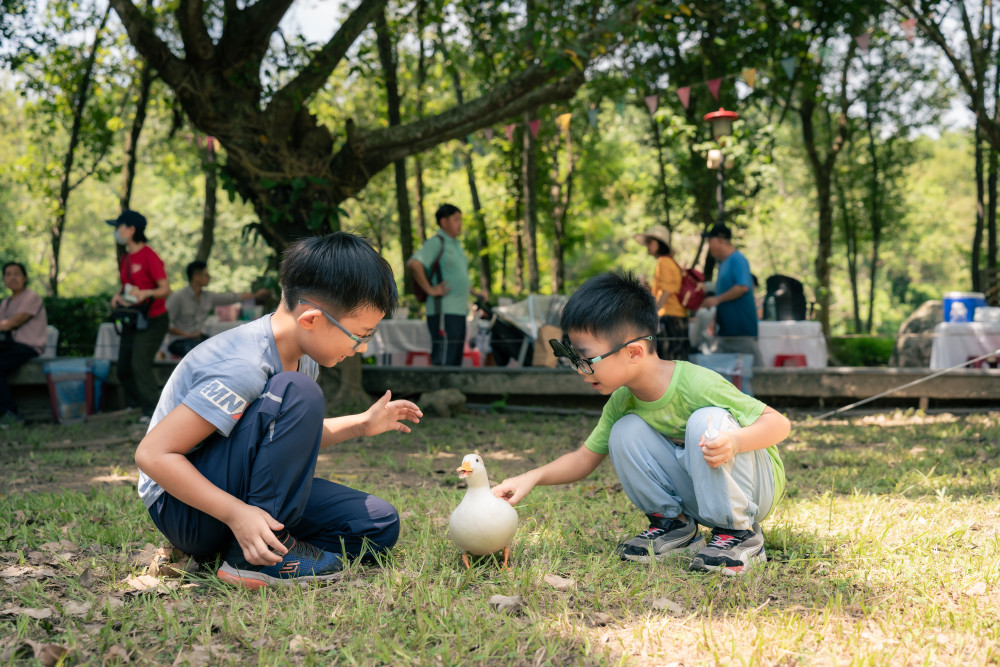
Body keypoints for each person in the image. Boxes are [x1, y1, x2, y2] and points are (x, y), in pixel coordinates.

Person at [134, 232, 423, 588]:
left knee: (376, 524)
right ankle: (251, 562)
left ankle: (250, 545)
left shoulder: (303, 357)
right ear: (312, 319)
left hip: (236, 492)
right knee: (298, 392)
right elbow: (152, 454)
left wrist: (362, 424)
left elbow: (282, 438)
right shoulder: (244, 365)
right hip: (184, 509)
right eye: (359, 335)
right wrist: (236, 514)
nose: (361, 348)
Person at [492, 272, 790, 575]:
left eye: (586, 358)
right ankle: (674, 527)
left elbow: (778, 424)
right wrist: (530, 478)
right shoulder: (623, 401)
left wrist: (734, 442)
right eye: (572, 357)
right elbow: (584, 458)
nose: (580, 371)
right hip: (702, 492)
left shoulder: (696, 383)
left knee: (705, 421)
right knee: (625, 430)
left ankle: (740, 535)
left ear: (633, 352)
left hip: (753, 489)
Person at [108, 210, 171, 418]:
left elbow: (165, 289)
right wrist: (118, 296)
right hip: (133, 320)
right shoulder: (125, 257)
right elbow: (127, 285)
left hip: (154, 319)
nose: (117, 231)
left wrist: (146, 293)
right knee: (124, 368)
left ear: (131, 229)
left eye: (120, 227)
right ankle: (136, 405)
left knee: (140, 364)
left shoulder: (148, 255)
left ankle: (154, 413)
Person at [165, 260, 273, 358]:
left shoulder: (208, 296)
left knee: (225, 349)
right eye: (206, 275)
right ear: (196, 277)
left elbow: (231, 297)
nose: (209, 278)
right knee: (202, 353)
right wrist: (187, 334)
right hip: (179, 341)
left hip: (198, 340)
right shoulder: (178, 297)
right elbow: (165, 323)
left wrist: (256, 294)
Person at [406, 204, 470, 366]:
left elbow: (459, 276)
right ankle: (439, 391)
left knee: (455, 358)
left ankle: (452, 391)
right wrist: (430, 290)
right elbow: (414, 264)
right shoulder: (437, 242)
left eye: (460, 219)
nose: (460, 223)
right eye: (456, 219)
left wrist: (476, 293)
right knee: (444, 359)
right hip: (443, 311)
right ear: (444, 222)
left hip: (459, 311)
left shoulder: (456, 245)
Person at [698, 224, 764, 368]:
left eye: (710, 241)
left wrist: (716, 300)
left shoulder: (738, 259)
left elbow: (742, 287)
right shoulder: (723, 265)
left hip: (741, 332)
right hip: (725, 333)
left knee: (755, 376)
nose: (709, 246)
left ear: (721, 240)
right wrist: (713, 320)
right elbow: (723, 296)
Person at [633, 225, 691, 361]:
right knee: (676, 361)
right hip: (677, 317)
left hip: (670, 318)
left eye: (650, 242)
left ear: (659, 244)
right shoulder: (670, 262)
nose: (647, 246)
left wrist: (654, 312)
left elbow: (667, 291)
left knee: (667, 361)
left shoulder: (663, 262)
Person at [0, 262, 48, 424]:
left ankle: (11, 413)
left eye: (16, 274)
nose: (12, 278)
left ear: (25, 278)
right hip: (11, 345)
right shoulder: (6, 302)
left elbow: (11, 323)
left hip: (29, 346)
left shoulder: (31, 297)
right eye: (7, 274)